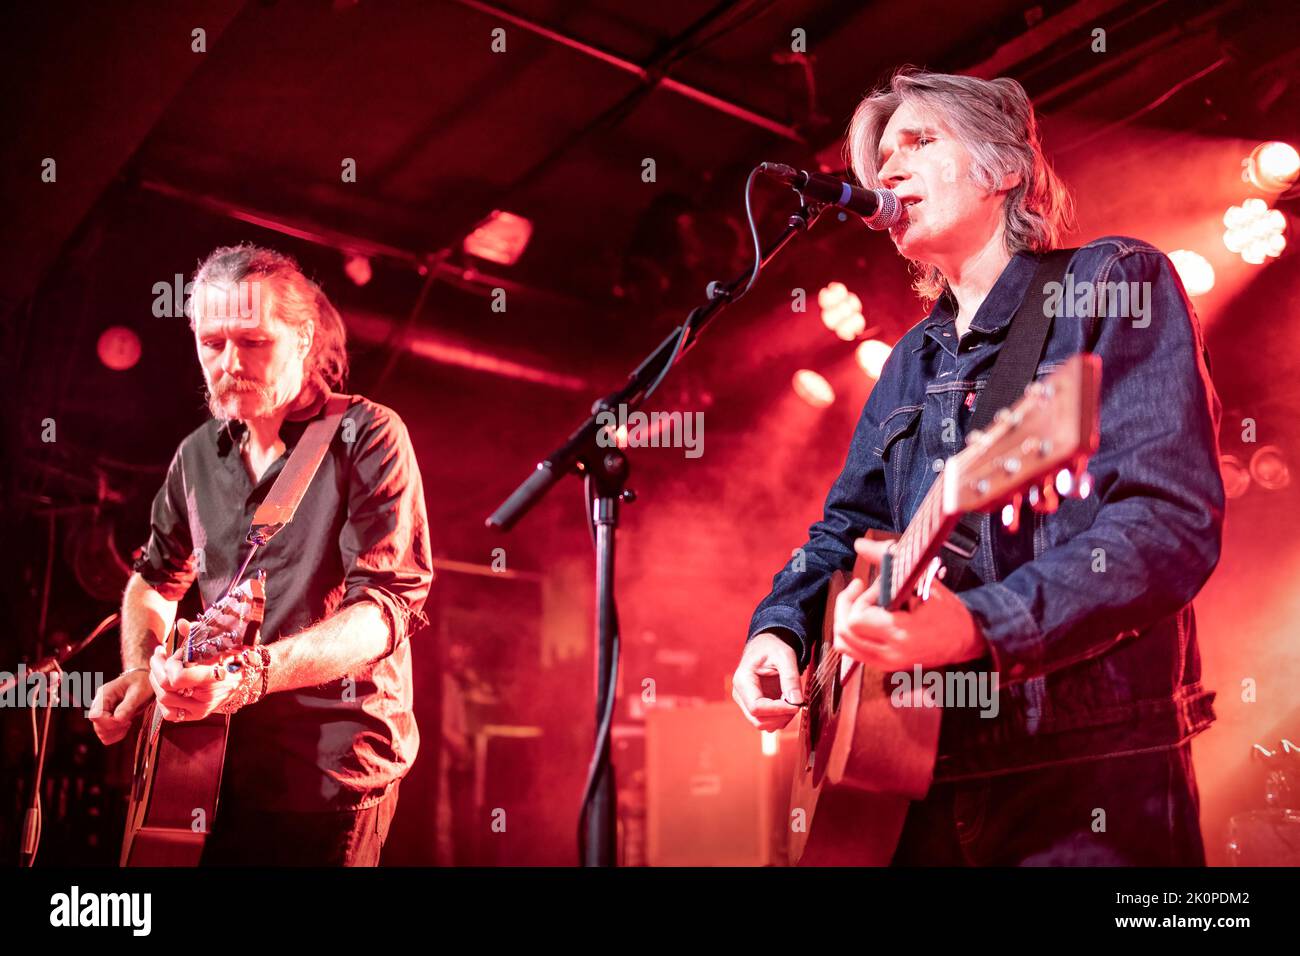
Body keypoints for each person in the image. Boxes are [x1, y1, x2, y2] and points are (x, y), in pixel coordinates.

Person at [732, 68, 1224, 866]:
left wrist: (977, 624)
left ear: (1004, 169)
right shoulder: (907, 363)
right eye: (880, 159)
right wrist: (779, 629)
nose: (886, 173)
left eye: (920, 143)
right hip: (915, 792)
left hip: (1080, 780)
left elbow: (1168, 525)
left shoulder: (1110, 282)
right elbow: (842, 533)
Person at [88, 244, 433, 865]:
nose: (229, 363)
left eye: (253, 342)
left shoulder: (369, 435)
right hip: (209, 765)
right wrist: (142, 669)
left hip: (328, 773)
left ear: (302, 339)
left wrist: (250, 676)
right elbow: (154, 581)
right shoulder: (196, 455)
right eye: (211, 342)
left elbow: (384, 609)